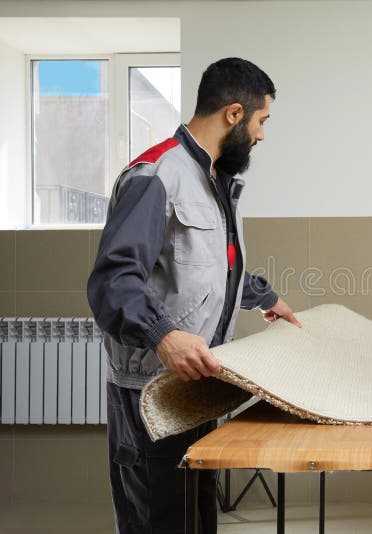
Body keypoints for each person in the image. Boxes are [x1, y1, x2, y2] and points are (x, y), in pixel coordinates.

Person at [87, 57, 301, 534]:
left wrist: (267, 299)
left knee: (196, 520)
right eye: (261, 121)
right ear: (233, 114)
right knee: (160, 523)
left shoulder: (215, 180)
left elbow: (209, 268)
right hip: (149, 399)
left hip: (193, 394)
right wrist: (163, 335)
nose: (262, 135)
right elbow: (113, 281)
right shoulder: (157, 175)